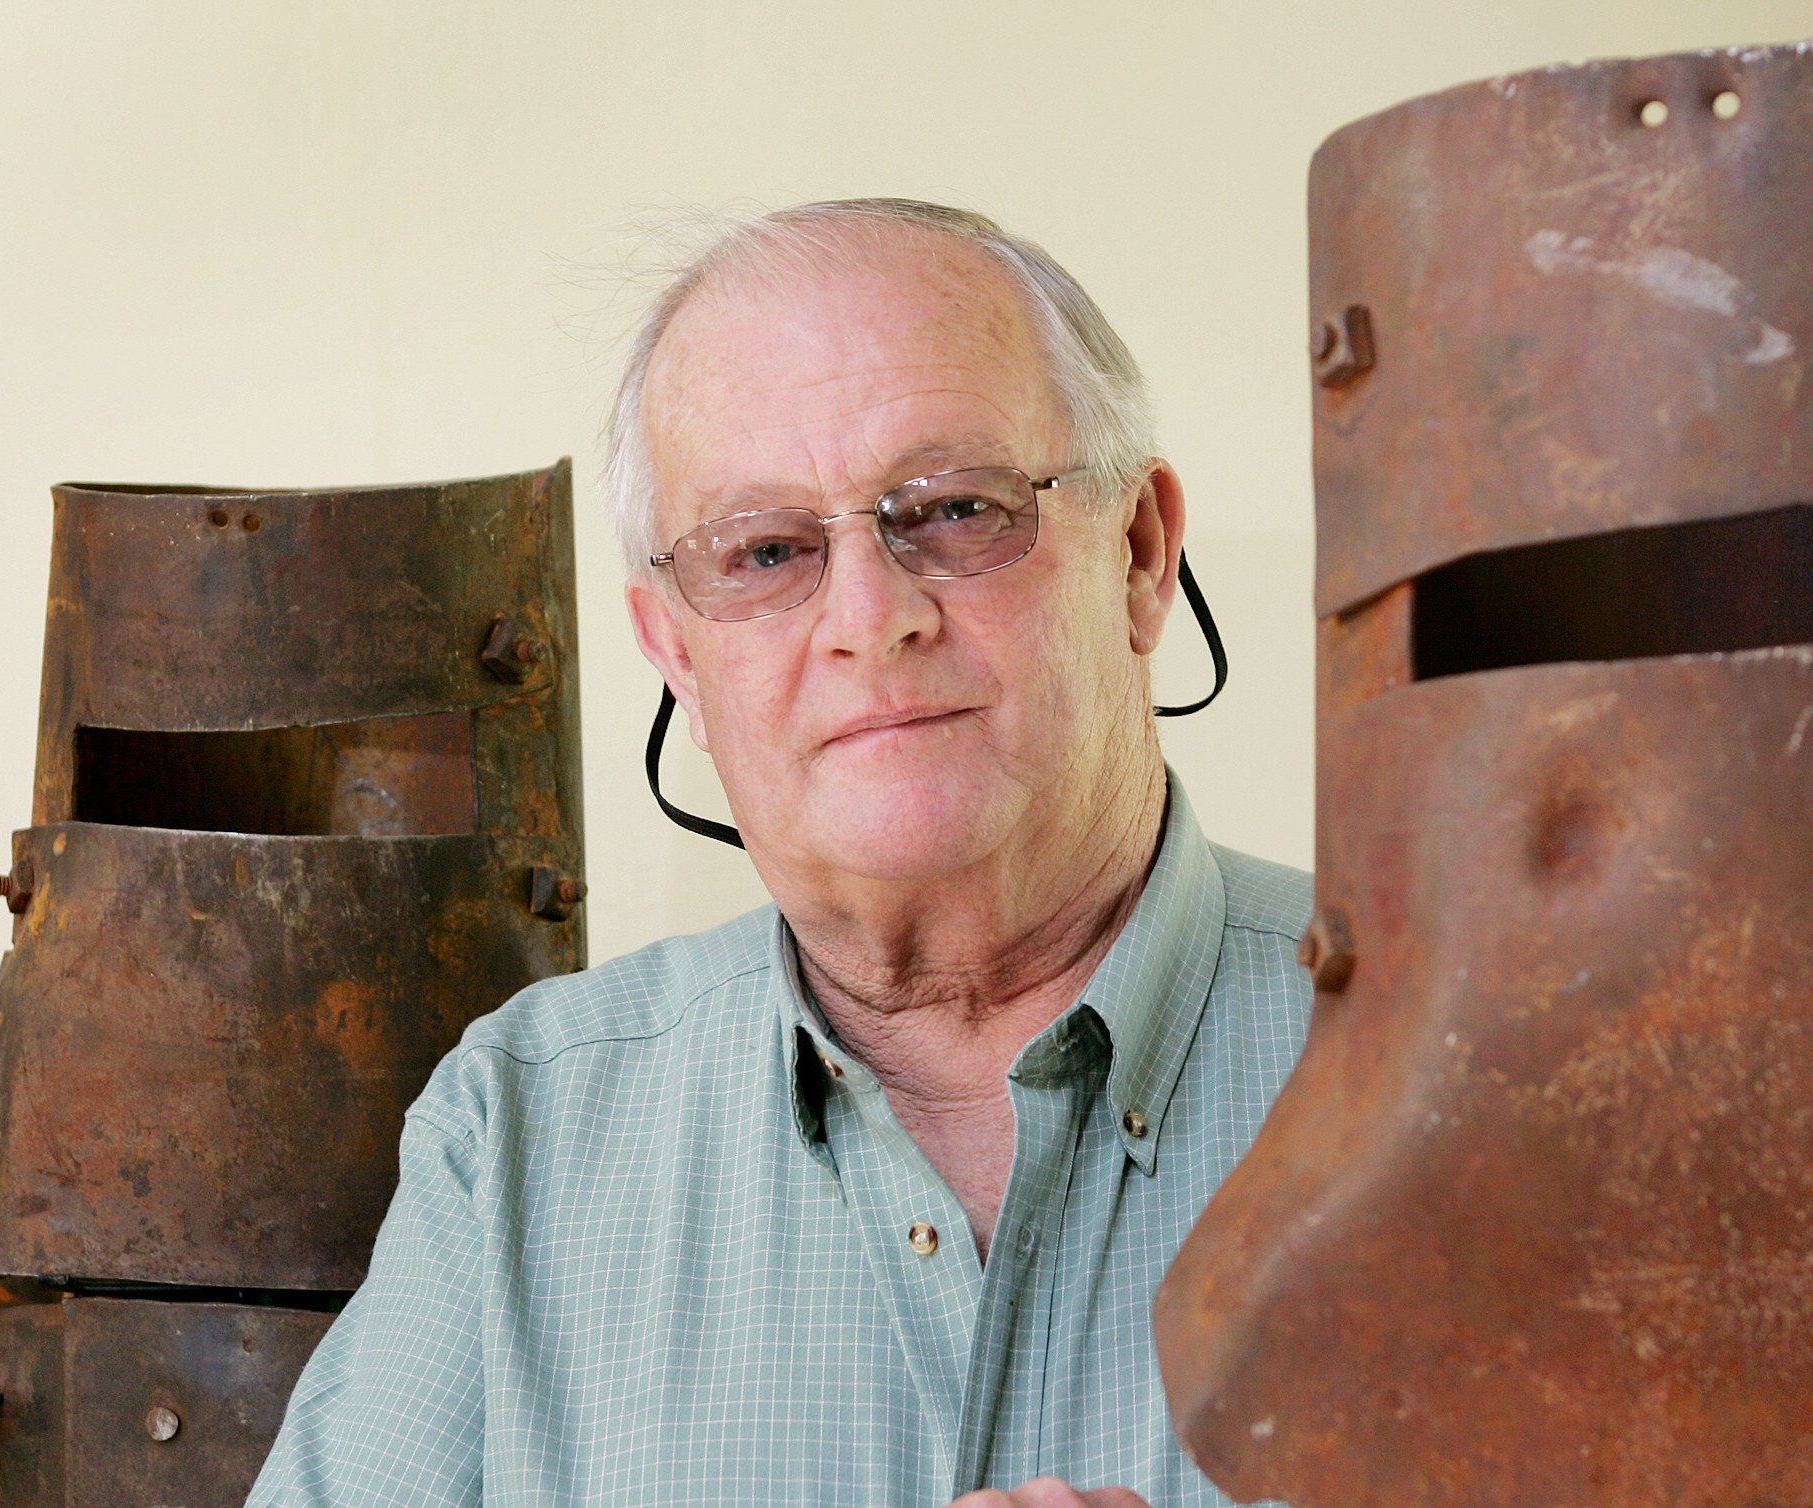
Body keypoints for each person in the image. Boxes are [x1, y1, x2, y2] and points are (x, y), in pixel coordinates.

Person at [248, 198, 1313, 1507]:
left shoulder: (1492, 1063)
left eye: (958, 511)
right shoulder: (519, 1133)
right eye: (764, 551)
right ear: (676, 655)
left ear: (1141, 556)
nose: (872, 617)